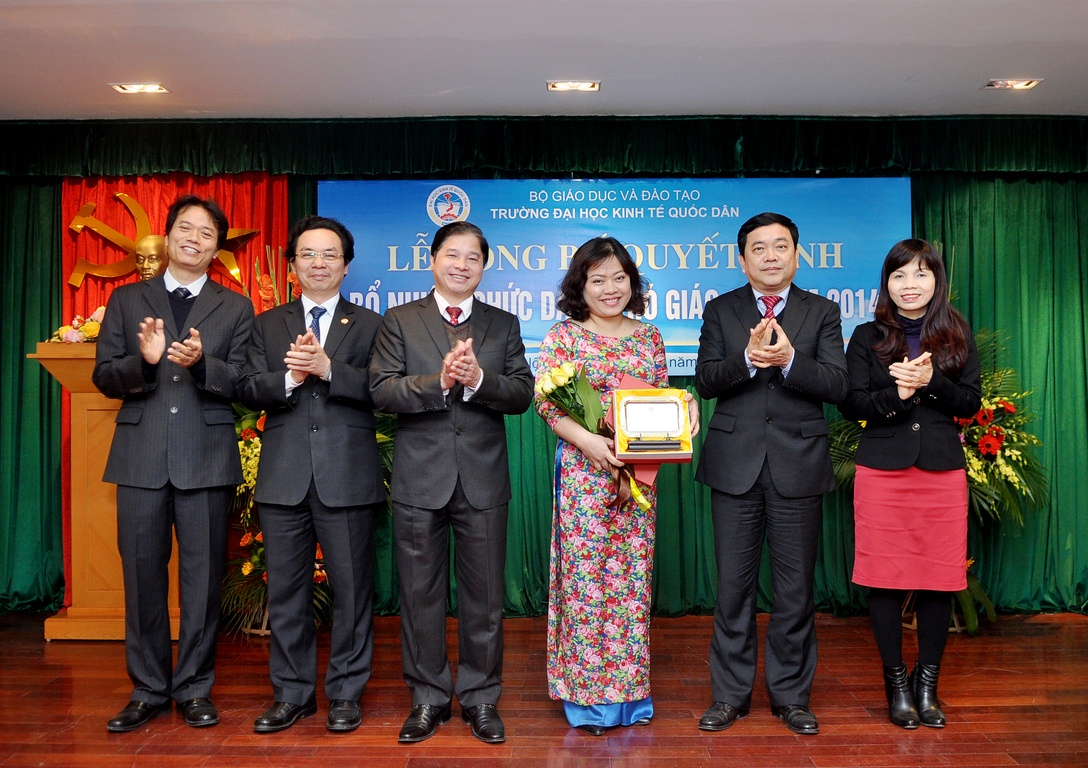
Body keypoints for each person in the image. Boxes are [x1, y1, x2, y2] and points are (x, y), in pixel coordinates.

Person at [93, 194, 254, 732]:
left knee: (203, 580)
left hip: (205, 456)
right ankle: (147, 690)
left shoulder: (235, 307)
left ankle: (194, 688)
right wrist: (143, 363)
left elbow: (244, 382)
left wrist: (204, 364)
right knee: (141, 576)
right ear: (167, 236)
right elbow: (103, 376)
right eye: (186, 228)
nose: (194, 239)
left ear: (216, 248)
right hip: (140, 455)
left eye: (207, 233)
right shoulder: (125, 299)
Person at [369, 220, 534, 744]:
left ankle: (481, 697)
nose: (462, 265)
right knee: (419, 594)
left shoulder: (502, 324)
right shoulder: (399, 320)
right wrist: (438, 383)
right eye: (452, 255)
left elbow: (522, 393)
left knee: (484, 597)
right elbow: (382, 391)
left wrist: (479, 380)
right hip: (420, 479)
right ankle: (428, 698)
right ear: (433, 260)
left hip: (483, 479)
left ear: (484, 267)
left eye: (473, 258)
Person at [534, 236, 699, 736]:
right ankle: (587, 700)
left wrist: (685, 405)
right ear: (580, 286)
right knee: (585, 583)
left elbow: (659, 396)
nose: (610, 288)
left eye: (619, 278)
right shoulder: (564, 336)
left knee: (630, 584)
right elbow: (546, 403)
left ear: (633, 282)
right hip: (584, 474)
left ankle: (629, 695)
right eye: (598, 279)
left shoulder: (648, 337)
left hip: (638, 477)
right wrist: (588, 441)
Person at [694, 211, 848, 736]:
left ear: (796, 254)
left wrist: (787, 361)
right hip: (734, 466)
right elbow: (706, 381)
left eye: (780, 246)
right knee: (732, 590)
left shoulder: (822, 311)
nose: (770, 256)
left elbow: (837, 385)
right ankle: (729, 696)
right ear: (742, 259)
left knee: (795, 590)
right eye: (758, 248)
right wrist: (747, 358)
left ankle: (791, 697)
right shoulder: (720, 310)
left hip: (798, 464)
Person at [238, 215, 385, 734]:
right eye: (308, 254)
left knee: (352, 592)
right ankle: (292, 694)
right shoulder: (266, 324)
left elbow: (384, 390)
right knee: (286, 594)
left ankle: (345, 693)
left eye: (329, 254)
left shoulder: (372, 324)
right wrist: (290, 377)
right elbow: (246, 387)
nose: (318, 263)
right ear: (293, 264)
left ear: (346, 265)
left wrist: (328, 370)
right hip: (284, 476)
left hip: (347, 475)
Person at [839, 239, 981, 729]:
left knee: (940, 579)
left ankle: (927, 686)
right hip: (882, 471)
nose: (910, 284)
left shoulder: (957, 333)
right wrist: (898, 394)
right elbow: (852, 404)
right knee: (884, 578)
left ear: (936, 280)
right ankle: (897, 684)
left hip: (941, 471)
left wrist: (930, 383)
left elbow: (970, 402)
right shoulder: (866, 336)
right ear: (887, 284)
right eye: (899, 275)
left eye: (921, 274)